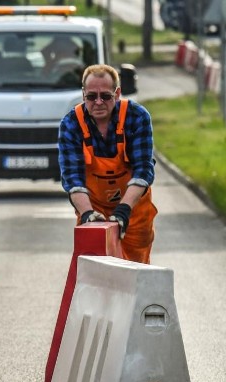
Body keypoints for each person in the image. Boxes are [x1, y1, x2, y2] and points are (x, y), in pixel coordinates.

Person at [57, 64, 158, 263]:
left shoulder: (137, 117)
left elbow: (143, 169)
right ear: (83, 94)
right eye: (92, 96)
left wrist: (124, 210)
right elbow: (72, 177)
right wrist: (87, 214)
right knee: (93, 268)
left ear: (117, 93)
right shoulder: (71, 124)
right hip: (93, 208)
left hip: (134, 209)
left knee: (137, 266)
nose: (98, 102)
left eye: (105, 96)